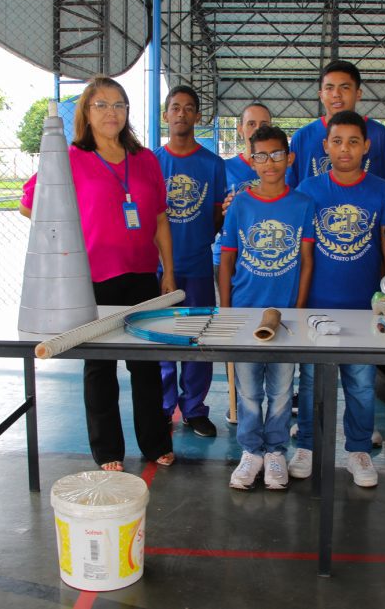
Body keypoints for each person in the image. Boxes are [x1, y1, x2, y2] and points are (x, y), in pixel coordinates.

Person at [19, 75, 176, 471]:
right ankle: (108, 451)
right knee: (100, 366)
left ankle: (155, 442)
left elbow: (159, 219)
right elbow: (31, 206)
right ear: (86, 113)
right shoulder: (69, 158)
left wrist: (168, 272)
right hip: (91, 281)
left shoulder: (145, 160)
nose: (111, 112)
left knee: (145, 365)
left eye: (119, 105)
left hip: (141, 275)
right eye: (101, 105)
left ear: (128, 113)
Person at [292, 111, 385, 488]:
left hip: (363, 309)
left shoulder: (383, 191)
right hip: (316, 308)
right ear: (325, 146)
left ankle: (357, 449)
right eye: (337, 141)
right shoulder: (308, 189)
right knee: (310, 384)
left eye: (353, 141)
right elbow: (299, 251)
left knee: (360, 383)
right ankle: (306, 445)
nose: (345, 149)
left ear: (366, 146)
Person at [219, 125, 315, 490]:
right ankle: (251, 452)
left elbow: (306, 261)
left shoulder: (303, 204)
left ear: (289, 158)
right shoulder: (241, 203)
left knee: (279, 391)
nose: (270, 163)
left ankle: (276, 452)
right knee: (247, 392)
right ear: (252, 161)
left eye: (277, 155)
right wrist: (226, 312)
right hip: (244, 314)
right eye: (261, 156)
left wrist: (299, 310)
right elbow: (226, 262)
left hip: (286, 317)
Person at [155, 86, 227, 438]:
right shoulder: (153, 161)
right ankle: (165, 406)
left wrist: (197, 240)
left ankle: (194, 408)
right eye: (175, 107)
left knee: (198, 339)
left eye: (188, 108)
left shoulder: (213, 164)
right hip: (160, 268)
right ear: (165, 115)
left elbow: (216, 215)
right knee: (163, 339)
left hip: (198, 266)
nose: (181, 113)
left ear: (198, 116)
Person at [217, 103, 273, 425]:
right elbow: (214, 215)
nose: (256, 128)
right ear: (240, 129)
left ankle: (277, 398)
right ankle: (237, 400)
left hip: (267, 262)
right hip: (229, 258)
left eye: (263, 123)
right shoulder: (226, 168)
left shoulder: (280, 167)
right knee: (236, 332)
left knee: (270, 329)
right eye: (250, 123)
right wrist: (226, 209)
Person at [287, 60, 385, 189]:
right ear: (321, 95)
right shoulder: (302, 137)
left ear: (358, 93)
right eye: (329, 88)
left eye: (345, 87)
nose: (336, 94)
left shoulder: (379, 135)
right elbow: (291, 189)